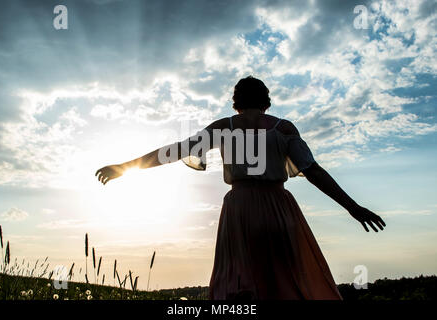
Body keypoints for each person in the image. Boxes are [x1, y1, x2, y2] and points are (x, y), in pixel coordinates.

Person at [95, 76, 386, 300]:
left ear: (236, 101)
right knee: (286, 281)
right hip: (278, 209)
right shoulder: (284, 129)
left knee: (239, 283)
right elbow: (313, 171)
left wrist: (124, 167)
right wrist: (353, 207)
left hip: (240, 209)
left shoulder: (224, 126)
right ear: (267, 101)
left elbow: (175, 150)